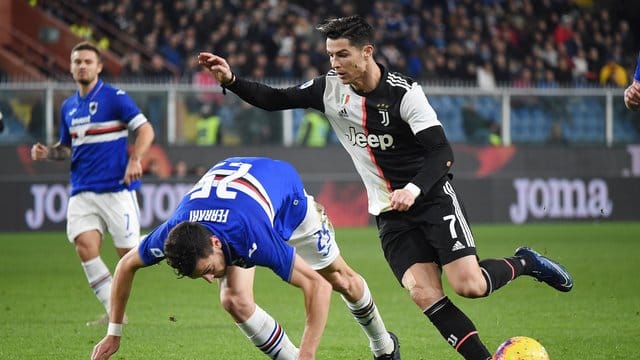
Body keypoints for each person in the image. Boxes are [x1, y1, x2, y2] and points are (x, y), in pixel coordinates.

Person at [197, 15, 574, 359]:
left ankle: (526, 261)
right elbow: (276, 99)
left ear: (367, 52)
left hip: (430, 198)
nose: (334, 64)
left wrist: (413, 189)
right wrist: (232, 81)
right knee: (423, 293)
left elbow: (442, 151)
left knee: (470, 285)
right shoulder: (328, 89)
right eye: (330, 55)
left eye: (342, 55)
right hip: (388, 211)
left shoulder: (405, 93)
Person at [91, 157, 400, 360]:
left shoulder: (250, 234)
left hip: (287, 201)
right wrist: (114, 334)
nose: (211, 277)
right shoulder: (174, 231)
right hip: (237, 201)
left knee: (338, 279)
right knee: (232, 300)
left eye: (209, 269)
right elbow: (125, 265)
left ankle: (384, 347)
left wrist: (309, 355)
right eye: (204, 275)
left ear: (213, 242)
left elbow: (316, 286)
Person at [30, 41, 155, 326]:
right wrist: (48, 152)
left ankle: (164, 241)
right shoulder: (68, 107)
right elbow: (66, 146)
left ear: (99, 66)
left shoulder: (115, 98)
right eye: (77, 61)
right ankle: (115, 315)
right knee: (85, 247)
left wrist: (136, 160)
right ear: (71, 67)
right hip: (82, 190)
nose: (82, 66)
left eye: (88, 61)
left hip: (115, 189)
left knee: (130, 256)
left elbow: (146, 129)